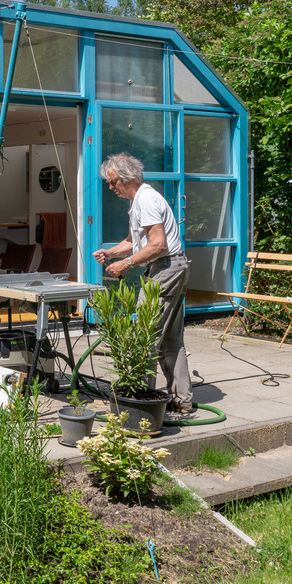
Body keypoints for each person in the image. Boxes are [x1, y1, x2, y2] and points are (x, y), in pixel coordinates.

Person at [91, 152, 192, 414]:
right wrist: (111, 253)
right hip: (172, 267)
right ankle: (181, 401)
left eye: (113, 182)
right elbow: (134, 241)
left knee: (145, 337)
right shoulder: (139, 200)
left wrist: (127, 264)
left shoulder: (145, 199)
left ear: (128, 178)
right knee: (171, 340)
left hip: (165, 269)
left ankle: (139, 402)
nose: (111, 187)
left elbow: (158, 244)